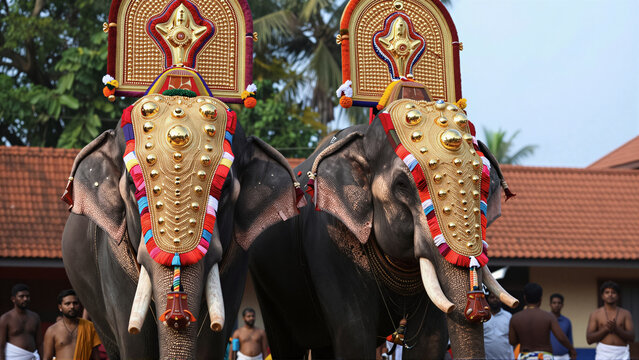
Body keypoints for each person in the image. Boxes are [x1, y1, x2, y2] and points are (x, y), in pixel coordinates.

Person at [509, 283, 576, 360]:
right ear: (541, 299)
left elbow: (512, 341)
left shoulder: (515, 318)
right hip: (544, 356)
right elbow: (561, 337)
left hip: (525, 356)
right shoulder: (548, 317)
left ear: (525, 298)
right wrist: (571, 349)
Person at [42, 290, 100, 360]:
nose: (72, 306)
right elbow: (47, 358)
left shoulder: (89, 327)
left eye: (75, 303)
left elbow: (96, 357)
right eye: (67, 304)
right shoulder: (52, 330)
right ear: (60, 307)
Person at [586, 281, 635, 360]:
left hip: (622, 353)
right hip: (603, 353)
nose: (610, 295)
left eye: (613, 292)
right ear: (602, 296)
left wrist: (616, 329)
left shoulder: (626, 313)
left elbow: (632, 337)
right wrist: (606, 329)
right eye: (607, 292)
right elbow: (589, 339)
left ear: (618, 296)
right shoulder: (595, 314)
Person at [0, 284, 43, 360]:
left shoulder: (35, 317)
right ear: (13, 299)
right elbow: (1, 345)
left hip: (31, 356)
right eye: (21, 296)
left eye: (27, 296)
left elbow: (40, 344)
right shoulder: (6, 318)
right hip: (12, 357)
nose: (25, 299)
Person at [483, 291, 513, 359]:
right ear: (488, 299)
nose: (495, 300)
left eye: (497, 297)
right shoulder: (483, 317)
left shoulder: (508, 316)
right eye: (492, 297)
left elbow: (513, 340)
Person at [549, 293, 573, 360]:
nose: (556, 305)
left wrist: (572, 353)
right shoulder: (545, 320)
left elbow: (569, 340)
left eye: (559, 303)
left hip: (564, 356)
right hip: (549, 356)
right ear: (550, 304)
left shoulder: (567, 321)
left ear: (562, 305)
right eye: (554, 303)